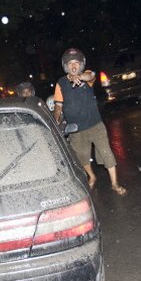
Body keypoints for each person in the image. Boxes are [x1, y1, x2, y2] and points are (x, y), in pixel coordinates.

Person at [53, 47, 127, 195]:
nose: (73, 66)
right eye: (70, 63)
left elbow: (91, 76)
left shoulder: (88, 77)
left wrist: (80, 77)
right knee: (82, 158)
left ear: (81, 64)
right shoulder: (60, 83)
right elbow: (58, 106)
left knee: (107, 155)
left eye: (76, 63)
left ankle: (114, 184)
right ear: (65, 66)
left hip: (96, 125)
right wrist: (55, 123)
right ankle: (92, 176)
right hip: (76, 129)